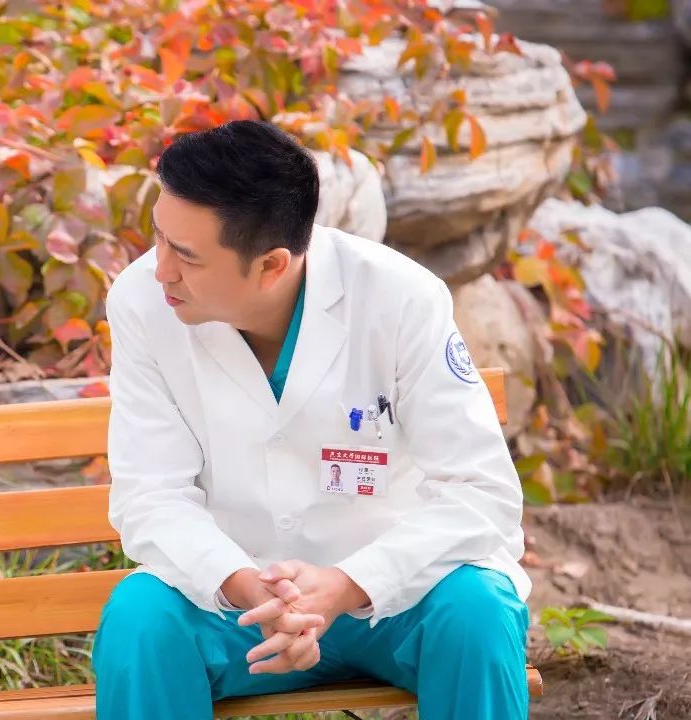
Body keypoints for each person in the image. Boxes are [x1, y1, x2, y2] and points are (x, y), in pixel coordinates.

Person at [93, 120, 531, 720]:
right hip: (240, 608)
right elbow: (151, 495)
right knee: (139, 620)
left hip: (393, 598)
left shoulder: (401, 298)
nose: (160, 269)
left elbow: (482, 493)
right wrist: (248, 585)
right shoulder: (143, 302)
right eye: (160, 238)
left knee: (477, 609)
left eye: (186, 256)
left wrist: (348, 584)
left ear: (272, 265)